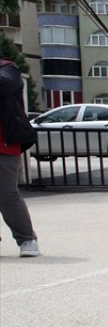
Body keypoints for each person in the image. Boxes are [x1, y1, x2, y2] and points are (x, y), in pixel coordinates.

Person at [0, 58, 39, 257]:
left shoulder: (8, 69)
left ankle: (27, 238)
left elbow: (5, 84)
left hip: (4, 144)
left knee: (7, 194)